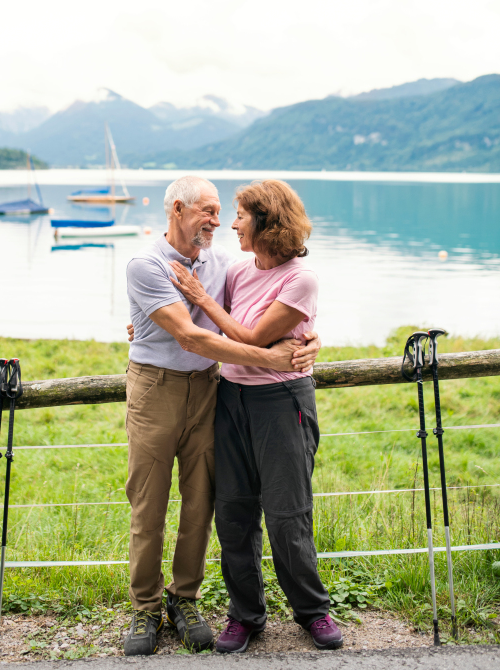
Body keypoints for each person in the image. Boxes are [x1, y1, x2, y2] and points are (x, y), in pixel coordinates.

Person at [123, 176, 322, 656]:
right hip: (157, 390)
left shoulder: (222, 265)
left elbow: (258, 316)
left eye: (223, 212)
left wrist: (312, 340)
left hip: (210, 390)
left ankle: (184, 599)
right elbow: (193, 335)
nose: (219, 221)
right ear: (176, 209)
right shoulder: (146, 264)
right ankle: (147, 607)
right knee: (149, 505)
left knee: (202, 504)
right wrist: (273, 359)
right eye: (209, 211)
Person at [168, 179, 343, 653]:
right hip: (231, 400)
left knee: (288, 516)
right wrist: (145, 319)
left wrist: (204, 302)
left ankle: (312, 610)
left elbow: (251, 338)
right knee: (234, 514)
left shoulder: (299, 277)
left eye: (242, 214)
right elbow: (209, 325)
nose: (233, 223)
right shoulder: (240, 271)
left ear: (267, 220)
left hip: (281, 404)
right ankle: (245, 616)